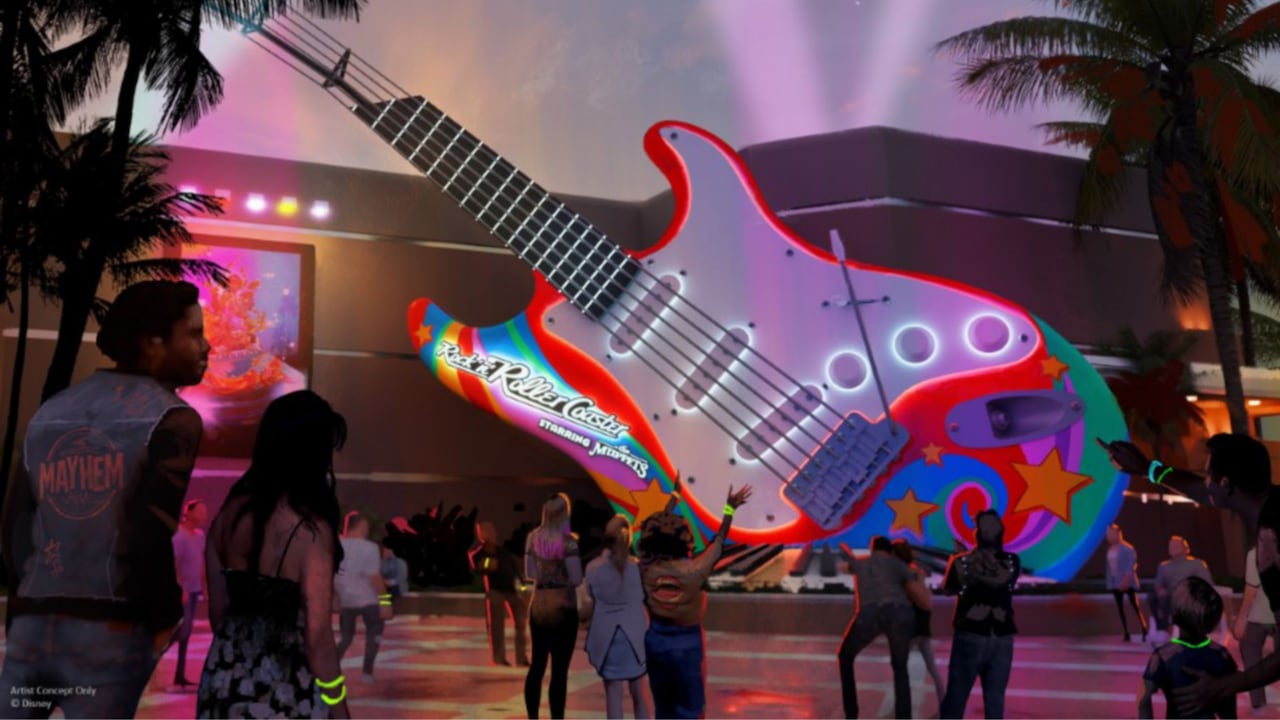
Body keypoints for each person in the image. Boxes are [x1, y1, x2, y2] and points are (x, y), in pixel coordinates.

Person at [0, 280, 207, 718]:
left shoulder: (54, 409)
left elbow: (15, 526)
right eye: (193, 333)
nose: (206, 346)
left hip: (31, 628)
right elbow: (152, 531)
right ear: (152, 343)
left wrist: (22, 612)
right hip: (108, 632)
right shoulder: (172, 417)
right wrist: (163, 621)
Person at [196, 390, 350, 718]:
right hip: (285, 691)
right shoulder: (310, 531)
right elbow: (318, 637)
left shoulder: (227, 516)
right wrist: (338, 705)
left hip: (223, 682)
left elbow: (219, 611)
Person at [1099, 435, 1280, 714]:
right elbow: (1200, 490)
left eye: (1209, 474)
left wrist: (1224, 686)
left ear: (1225, 484)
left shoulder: (1271, 543)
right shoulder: (1271, 502)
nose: (1204, 480)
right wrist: (1148, 468)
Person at [637, 480, 752, 719]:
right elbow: (719, 542)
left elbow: (653, 530)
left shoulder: (645, 568)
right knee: (692, 708)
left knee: (663, 708)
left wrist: (673, 500)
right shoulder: (695, 570)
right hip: (687, 643)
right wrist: (729, 509)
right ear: (684, 540)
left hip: (655, 640)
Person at [837, 537, 934, 719]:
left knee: (845, 656)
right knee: (900, 667)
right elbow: (915, 581)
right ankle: (903, 716)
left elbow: (844, 567)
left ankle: (851, 712)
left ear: (872, 549)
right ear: (889, 550)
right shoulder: (897, 564)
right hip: (900, 613)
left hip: (869, 612)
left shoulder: (862, 563)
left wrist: (851, 561)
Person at [939, 509, 1022, 720]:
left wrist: (957, 556)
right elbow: (993, 573)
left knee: (956, 699)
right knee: (995, 701)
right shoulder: (1013, 562)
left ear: (977, 533)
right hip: (1002, 636)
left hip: (970, 634)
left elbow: (948, 590)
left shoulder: (961, 563)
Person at [1138, 576, 1238, 719]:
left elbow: (1143, 698)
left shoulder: (1163, 656)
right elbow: (1229, 708)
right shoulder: (1222, 655)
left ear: (1174, 615)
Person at [584, 515, 651, 720]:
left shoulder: (593, 568)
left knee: (613, 694)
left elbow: (589, 599)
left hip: (606, 638)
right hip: (636, 638)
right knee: (639, 694)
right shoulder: (638, 568)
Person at [525, 493, 584, 719]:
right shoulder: (568, 542)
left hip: (539, 605)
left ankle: (533, 717)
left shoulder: (533, 538)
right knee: (559, 671)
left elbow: (530, 572)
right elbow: (577, 578)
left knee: (536, 666)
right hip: (563, 607)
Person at [891, 539, 946, 710]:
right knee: (932, 669)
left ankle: (901, 706)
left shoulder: (905, 573)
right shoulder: (916, 570)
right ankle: (944, 706)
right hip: (922, 623)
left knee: (900, 668)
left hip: (911, 626)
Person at [335, 512, 390, 684]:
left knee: (345, 637)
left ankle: (332, 667)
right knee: (374, 634)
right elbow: (375, 578)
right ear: (361, 527)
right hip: (368, 601)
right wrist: (385, 602)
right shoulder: (369, 548)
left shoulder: (336, 546)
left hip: (346, 600)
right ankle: (367, 672)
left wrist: (335, 597)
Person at [471, 520, 530, 667]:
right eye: (485, 530)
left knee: (521, 624)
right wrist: (488, 561)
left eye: (490, 530)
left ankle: (521, 658)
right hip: (495, 591)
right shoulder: (479, 553)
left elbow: (514, 568)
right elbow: (480, 568)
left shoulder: (503, 551)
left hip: (511, 590)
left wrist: (522, 585)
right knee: (497, 626)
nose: (490, 533)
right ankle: (499, 658)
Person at [1235, 545, 1277, 714]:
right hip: (1262, 616)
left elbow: (1251, 589)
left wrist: (1241, 618)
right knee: (1249, 646)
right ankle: (1258, 702)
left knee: (1250, 652)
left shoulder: (1257, 553)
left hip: (1260, 616)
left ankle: (1258, 703)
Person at [172, 498, 210, 688]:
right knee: (180, 631)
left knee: (186, 634)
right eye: (201, 511)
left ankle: (180, 675)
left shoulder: (200, 536)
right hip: (183, 592)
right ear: (190, 512)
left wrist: (204, 587)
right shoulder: (179, 536)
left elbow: (201, 563)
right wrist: (182, 589)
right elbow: (174, 565)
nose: (204, 515)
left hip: (194, 590)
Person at [1152, 537, 1213, 642]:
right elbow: (1158, 584)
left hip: (1190, 595)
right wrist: (1159, 589)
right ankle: (1163, 629)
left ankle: (1187, 631)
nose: (1173, 548)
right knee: (1153, 597)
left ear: (1186, 549)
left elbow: (1206, 583)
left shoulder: (1197, 563)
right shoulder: (1163, 566)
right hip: (1170, 596)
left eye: (1176, 546)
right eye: (1171, 546)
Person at [1105, 524, 1147, 643]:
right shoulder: (1110, 550)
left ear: (1118, 533)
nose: (1110, 536)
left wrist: (1126, 580)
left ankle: (1143, 628)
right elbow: (1109, 568)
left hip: (1127, 582)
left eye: (1112, 533)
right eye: (1108, 534)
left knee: (1134, 605)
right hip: (1115, 582)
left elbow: (1131, 565)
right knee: (1120, 608)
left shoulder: (1127, 549)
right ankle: (1126, 632)